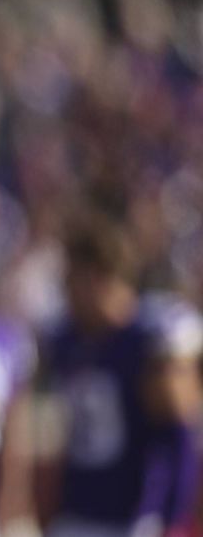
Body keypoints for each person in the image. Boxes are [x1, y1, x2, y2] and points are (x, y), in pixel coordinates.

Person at [34, 216, 202, 537]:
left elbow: (180, 435)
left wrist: (174, 520)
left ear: (99, 277)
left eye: (72, 280)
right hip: (76, 512)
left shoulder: (150, 342)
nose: (66, 292)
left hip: (135, 518)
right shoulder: (67, 339)